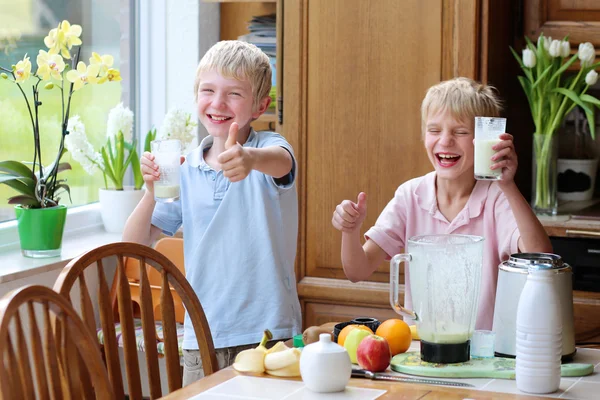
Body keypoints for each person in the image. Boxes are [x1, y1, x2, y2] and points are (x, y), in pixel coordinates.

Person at [122, 40, 301, 385]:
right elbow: (133, 244)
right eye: (208, 90)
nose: (218, 103)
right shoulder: (184, 169)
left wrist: (249, 160)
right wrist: (149, 193)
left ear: (260, 106)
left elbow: (283, 164)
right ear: (196, 96)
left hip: (269, 331)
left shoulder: (268, 151)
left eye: (234, 94)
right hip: (202, 335)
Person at [331, 77, 552, 330]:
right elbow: (357, 271)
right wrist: (350, 232)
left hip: (481, 356)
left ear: (485, 139)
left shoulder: (497, 198)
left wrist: (508, 186)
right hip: (422, 350)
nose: (445, 141)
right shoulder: (410, 195)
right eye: (434, 130)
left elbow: (542, 258)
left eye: (460, 132)